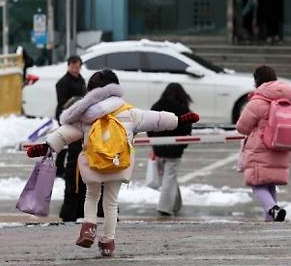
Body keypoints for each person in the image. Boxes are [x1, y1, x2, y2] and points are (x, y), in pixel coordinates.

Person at [27, 69, 199, 257]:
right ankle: (107, 242)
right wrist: (180, 120)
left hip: (93, 163)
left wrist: (46, 146)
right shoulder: (130, 112)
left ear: (91, 90)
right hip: (118, 163)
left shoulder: (86, 117)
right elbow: (157, 119)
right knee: (111, 202)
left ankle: (89, 228)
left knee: (91, 196)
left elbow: (65, 133)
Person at [235, 65, 291, 222]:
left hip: (260, 149)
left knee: (257, 183)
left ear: (257, 80)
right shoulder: (287, 100)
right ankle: (270, 219)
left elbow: (242, 127)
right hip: (281, 147)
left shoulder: (258, 102)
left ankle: (272, 209)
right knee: (269, 184)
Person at [147, 83, 194, 217]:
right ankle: (164, 207)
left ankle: (176, 205)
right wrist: (183, 145)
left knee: (169, 177)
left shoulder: (157, 106)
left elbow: (149, 125)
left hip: (158, 146)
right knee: (170, 177)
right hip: (175, 149)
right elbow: (187, 130)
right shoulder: (183, 109)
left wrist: (153, 141)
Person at [54, 56, 87, 178]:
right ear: (68, 66)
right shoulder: (62, 82)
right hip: (65, 116)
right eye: (73, 67)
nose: (75, 69)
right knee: (65, 141)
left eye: (78, 67)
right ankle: (59, 168)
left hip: (78, 116)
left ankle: (71, 167)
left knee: (74, 143)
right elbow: (62, 103)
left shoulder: (81, 80)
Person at [58, 96, 87, 222]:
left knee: (73, 191)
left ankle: (71, 215)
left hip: (76, 164)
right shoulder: (89, 124)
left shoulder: (69, 126)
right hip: (81, 164)